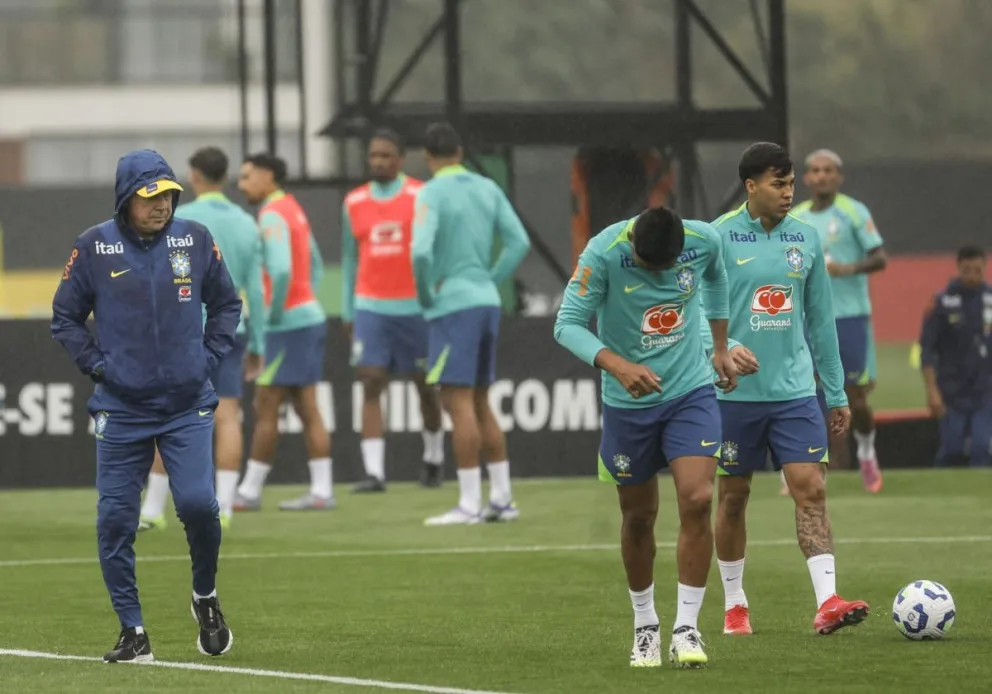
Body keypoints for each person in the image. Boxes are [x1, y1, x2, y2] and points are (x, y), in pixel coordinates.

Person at [51, 149, 240, 662]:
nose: (162, 205)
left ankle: (204, 597)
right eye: (150, 196)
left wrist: (208, 357)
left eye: (169, 195)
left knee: (200, 506)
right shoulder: (93, 246)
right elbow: (65, 317)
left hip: (186, 404)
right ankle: (133, 633)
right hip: (122, 407)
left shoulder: (196, 238)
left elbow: (226, 303)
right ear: (126, 198)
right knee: (114, 520)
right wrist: (99, 366)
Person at [554, 205, 738, 668]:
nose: (659, 276)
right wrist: (618, 365)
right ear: (634, 244)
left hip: (690, 392)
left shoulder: (703, 240)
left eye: (667, 269)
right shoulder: (603, 252)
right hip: (628, 404)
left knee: (697, 499)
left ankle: (687, 628)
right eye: (650, 267)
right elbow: (566, 324)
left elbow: (717, 280)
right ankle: (645, 628)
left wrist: (719, 347)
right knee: (639, 517)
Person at [713, 142, 869, 638]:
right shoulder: (717, 238)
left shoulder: (804, 238)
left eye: (791, 183)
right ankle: (735, 604)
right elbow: (692, 310)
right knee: (733, 498)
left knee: (813, 490)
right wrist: (726, 345)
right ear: (751, 185)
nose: (788, 192)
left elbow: (821, 322)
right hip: (732, 396)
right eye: (778, 184)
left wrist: (836, 391)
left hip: (795, 393)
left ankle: (827, 602)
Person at [138, 146, 266, 531]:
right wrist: (257, 340)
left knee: (168, 416)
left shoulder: (181, 220)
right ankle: (223, 506)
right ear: (225, 177)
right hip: (232, 330)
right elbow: (256, 291)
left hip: (184, 333)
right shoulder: (246, 223)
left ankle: (152, 509)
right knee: (228, 417)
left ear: (193, 176)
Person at [411, 122, 530, 525]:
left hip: (452, 306)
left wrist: (427, 295)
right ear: (459, 153)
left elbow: (421, 252)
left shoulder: (429, 191)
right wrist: (489, 279)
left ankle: (467, 504)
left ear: (429, 158)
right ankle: (502, 498)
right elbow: (519, 243)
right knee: (480, 399)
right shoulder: (487, 187)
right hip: (485, 301)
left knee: (456, 401)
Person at [342, 129, 445, 492]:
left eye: (386, 155)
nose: (379, 161)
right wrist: (348, 310)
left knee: (425, 388)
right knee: (371, 382)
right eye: (373, 155)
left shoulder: (421, 195)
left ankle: (433, 458)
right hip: (371, 307)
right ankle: (374, 473)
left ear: (401, 159)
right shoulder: (354, 201)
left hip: (415, 308)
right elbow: (351, 259)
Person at [232, 153, 334, 511]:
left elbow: (279, 272)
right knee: (306, 405)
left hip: (286, 323)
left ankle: (250, 491)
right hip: (306, 316)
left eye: (247, 177)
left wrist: (272, 318)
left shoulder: (272, 214)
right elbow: (316, 264)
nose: (242, 184)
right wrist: (305, 300)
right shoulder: (293, 208)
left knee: (267, 405)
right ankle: (321, 490)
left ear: (267, 176)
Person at [793, 150, 887, 493]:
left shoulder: (853, 211)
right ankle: (804, 466)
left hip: (849, 315)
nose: (821, 176)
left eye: (828, 171)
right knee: (805, 392)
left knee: (855, 395)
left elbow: (880, 257)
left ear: (839, 177)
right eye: (815, 171)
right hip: (808, 317)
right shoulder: (796, 217)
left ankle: (866, 451)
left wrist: (847, 269)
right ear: (806, 178)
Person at [919, 245, 992, 468]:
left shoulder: (990, 300)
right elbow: (928, 350)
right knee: (952, 449)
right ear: (958, 267)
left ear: (985, 268)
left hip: (985, 391)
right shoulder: (941, 303)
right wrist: (932, 392)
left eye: (977, 271)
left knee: (982, 446)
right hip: (952, 391)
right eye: (967, 270)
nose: (972, 276)